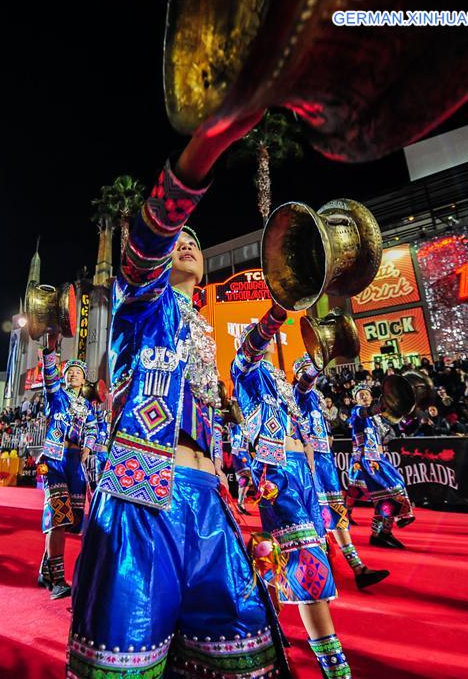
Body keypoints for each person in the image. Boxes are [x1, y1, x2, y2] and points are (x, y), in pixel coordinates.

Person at [69, 124, 289, 677]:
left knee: (239, 660)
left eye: (195, 237)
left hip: (209, 499)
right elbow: (146, 246)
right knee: (128, 658)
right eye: (177, 237)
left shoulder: (204, 330)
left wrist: (288, 297)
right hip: (142, 495)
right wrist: (206, 149)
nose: (186, 240)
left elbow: (254, 353)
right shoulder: (141, 304)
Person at [233, 313, 351, 679]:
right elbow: (248, 353)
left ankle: (265, 619)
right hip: (277, 472)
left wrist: (322, 353)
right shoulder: (246, 375)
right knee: (307, 560)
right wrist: (276, 314)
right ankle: (335, 668)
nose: (265, 345)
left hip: (304, 472)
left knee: (279, 552)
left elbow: (306, 382)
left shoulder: (285, 386)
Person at [293, 353, 389, 592]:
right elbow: (305, 384)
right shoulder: (299, 392)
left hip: (325, 463)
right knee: (317, 517)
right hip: (310, 463)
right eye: (306, 369)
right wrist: (317, 363)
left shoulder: (317, 398)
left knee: (336, 516)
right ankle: (320, 572)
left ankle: (356, 568)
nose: (312, 373)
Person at [37, 339, 97, 600]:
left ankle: (44, 570)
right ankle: (58, 580)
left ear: (84, 380)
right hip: (53, 458)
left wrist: (88, 447)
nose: (73, 374)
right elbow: (49, 376)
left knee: (69, 518)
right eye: (69, 370)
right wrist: (50, 352)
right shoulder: (57, 395)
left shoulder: (87, 407)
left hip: (75, 462)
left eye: (78, 372)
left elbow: (93, 429)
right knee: (58, 517)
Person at [347, 383, 415, 549]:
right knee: (393, 489)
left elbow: (394, 429)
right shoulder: (357, 412)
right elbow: (365, 412)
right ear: (355, 399)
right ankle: (385, 528)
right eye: (360, 394)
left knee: (385, 496)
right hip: (365, 462)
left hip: (379, 459)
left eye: (366, 394)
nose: (364, 397)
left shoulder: (376, 419)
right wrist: (382, 406)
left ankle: (381, 533)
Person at [228, 421, 254, 514]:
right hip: (238, 452)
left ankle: (241, 502)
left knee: (248, 480)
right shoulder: (236, 424)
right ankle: (240, 503)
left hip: (246, 453)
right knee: (246, 478)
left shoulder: (248, 424)